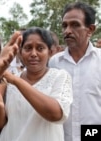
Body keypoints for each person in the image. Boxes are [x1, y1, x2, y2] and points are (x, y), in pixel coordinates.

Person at [0, 27, 73, 141]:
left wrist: (17, 81)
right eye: (28, 48)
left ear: (50, 52)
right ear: (20, 53)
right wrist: (0, 107)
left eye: (40, 48)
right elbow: (1, 125)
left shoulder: (60, 76)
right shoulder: (11, 81)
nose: (33, 54)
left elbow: (55, 114)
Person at [49, 2, 101, 141]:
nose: (67, 31)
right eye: (65, 25)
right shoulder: (54, 63)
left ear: (90, 29)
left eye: (75, 25)